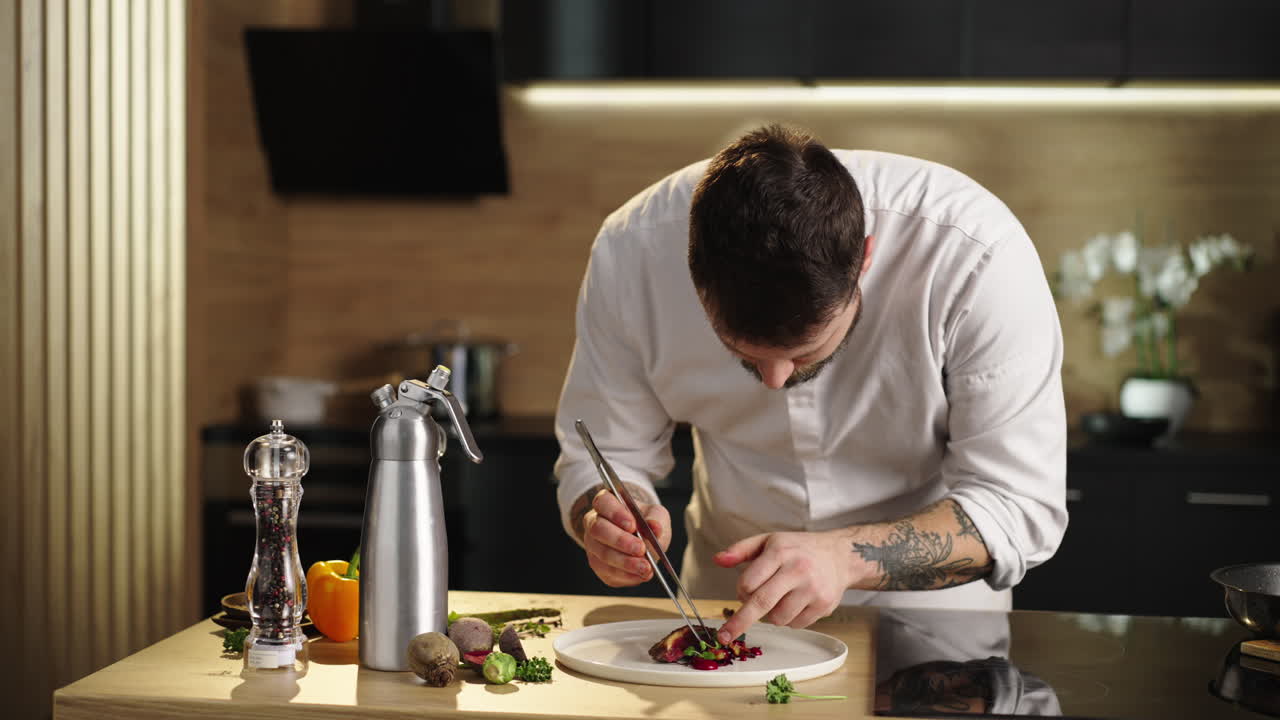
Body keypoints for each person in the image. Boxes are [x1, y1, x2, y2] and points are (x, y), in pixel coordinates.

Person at [553, 123, 1067, 646]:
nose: (776, 382)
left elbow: (1017, 503)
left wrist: (842, 559)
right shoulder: (632, 253)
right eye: (741, 353)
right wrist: (608, 517)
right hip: (728, 611)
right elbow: (603, 453)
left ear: (864, 261)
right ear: (690, 272)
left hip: (938, 626)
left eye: (804, 353)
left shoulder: (975, 255)